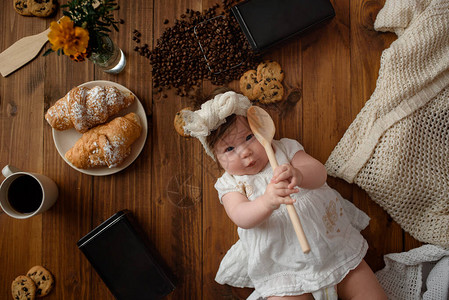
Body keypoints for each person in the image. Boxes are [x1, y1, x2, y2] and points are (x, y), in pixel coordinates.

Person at [183, 90, 387, 300]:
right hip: (282, 269)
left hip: (333, 247)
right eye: (229, 149)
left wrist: (299, 173)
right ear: (215, 158)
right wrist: (266, 202)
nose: (244, 152)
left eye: (249, 137)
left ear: (260, 129)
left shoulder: (285, 150)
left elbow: (319, 174)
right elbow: (240, 216)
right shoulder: (230, 183)